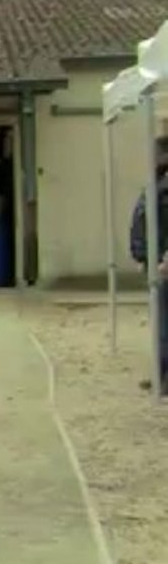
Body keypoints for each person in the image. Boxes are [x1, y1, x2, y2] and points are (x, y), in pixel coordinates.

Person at [129, 135, 168, 396]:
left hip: (164, 262)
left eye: (157, 154)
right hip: (156, 261)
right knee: (160, 322)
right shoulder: (157, 184)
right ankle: (160, 375)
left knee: (164, 324)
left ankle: (163, 378)